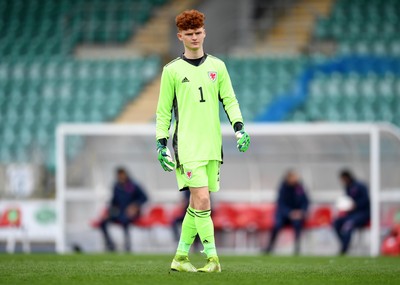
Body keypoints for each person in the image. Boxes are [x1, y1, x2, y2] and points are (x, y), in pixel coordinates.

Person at [156, 9, 250, 273]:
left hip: (212, 145)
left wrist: (240, 128)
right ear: (180, 36)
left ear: (204, 33)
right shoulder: (171, 71)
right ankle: (213, 260)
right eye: (189, 34)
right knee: (203, 200)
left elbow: (229, 99)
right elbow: (164, 112)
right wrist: (161, 144)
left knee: (195, 204)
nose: (194, 37)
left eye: (198, 32)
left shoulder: (217, 67)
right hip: (186, 147)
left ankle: (180, 258)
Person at [99, 167, 148, 252]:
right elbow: (114, 202)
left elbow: (144, 198)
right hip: (119, 212)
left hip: (132, 214)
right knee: (103, 223)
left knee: (125, 220)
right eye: (119, 175)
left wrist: (135, 206)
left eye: (122, 174)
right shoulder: (116, 186)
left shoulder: (134, 185)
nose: (121, 176)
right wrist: (108, 212)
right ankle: (110, 245)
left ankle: (127, 246)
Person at [264, 170, 309, 255]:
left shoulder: (299, 187)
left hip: (297, 215)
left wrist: (301, 212)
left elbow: (305, 201)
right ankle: (270, 247)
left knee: (297, 224)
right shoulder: (283, 188)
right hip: (284, 214)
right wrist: (290, 213)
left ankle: (297, 248)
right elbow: (280, 204)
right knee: (277, 225)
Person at [333, 169, 370, 255]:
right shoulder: (347, 187)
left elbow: (366, 200)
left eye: (342, 179)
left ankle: (344, 250)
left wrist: (356, 205)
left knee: (348, 225)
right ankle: (345, 243)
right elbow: (347, 201)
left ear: (346, 177)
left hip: (362, 213)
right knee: (336, 223)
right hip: (351, 214)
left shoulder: (360, 186)